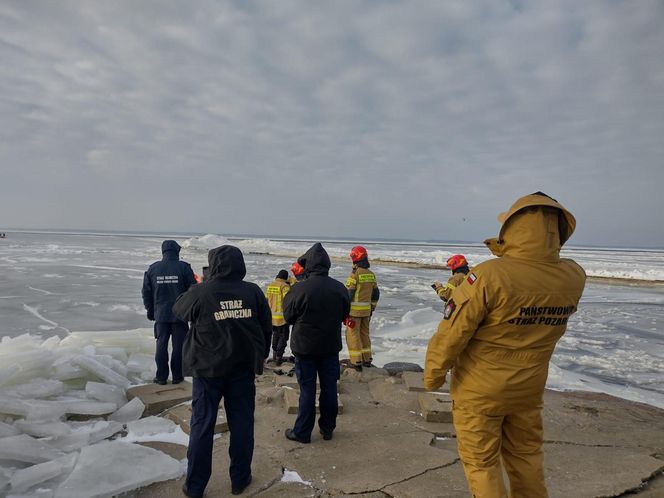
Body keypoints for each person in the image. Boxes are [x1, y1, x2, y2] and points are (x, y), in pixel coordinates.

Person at [424, 192, 586, 498]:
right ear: (559, 232)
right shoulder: (573, 277)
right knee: (526, 458)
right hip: (528, 390)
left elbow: (453, 332)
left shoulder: (487, 276)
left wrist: (433, 374)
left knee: (482, 464)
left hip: (480, 391)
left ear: (512, 229)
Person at [173, 245, 272, 497]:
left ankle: (194, 486)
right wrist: (259, 358)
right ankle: (239, 479)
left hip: (207, 370)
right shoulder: (252, 292)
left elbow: (179, 310)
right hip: (241, 369)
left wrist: (199, 286)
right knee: (241, 424)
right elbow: (265, 327)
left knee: (202, 426)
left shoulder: (202, 291)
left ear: (214, 265)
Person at [282, 243, 350, 443]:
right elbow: (344, 314)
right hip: (330, 346)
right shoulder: (339, 288)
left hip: (305, 347)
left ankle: (302, 432)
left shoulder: (298, 289)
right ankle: (327, 429)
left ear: (308, 266)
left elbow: (288, 316)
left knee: (307, 391)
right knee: (329, 388)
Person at [141, 240, 196, 385]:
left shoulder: (153, 269)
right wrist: (191, 313)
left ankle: (161, 377)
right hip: (180, 315)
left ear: (163, 251)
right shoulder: (184, 268)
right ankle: (177, 377)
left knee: (161, 345)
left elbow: (146, 293)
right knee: (179, 347)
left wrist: (150, 311)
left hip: (161, 314)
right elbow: (193, 292)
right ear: (177, 251)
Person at [344, 245, 380, 371]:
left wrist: (344, 310)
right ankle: (367, 359)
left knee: (352, 336)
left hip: (354, 313)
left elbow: (349, 294)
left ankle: (356, 361)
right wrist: (372, 307)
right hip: (367, 312)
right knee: (365, 334)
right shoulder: (371, 274)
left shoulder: (355, 274)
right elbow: (376, 294)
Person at [265, 269, 291, 365]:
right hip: (282, 318)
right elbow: (288, 300)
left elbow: (266, 300)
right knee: (283, 338)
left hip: (272, 318)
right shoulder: (284, 286)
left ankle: (274, 355)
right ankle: (279, 359)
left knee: (275, 336)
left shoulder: (271, 285)